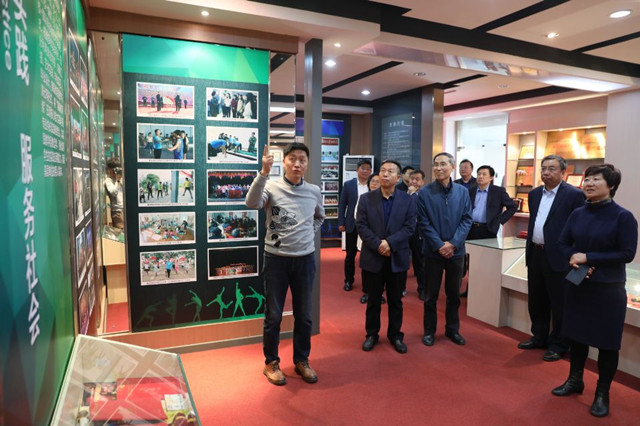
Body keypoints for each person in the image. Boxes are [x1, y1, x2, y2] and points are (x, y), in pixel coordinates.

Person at [552, 164, 637, 417]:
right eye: (587, 179)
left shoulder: (623, 216)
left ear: (611, 185)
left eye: (596, 179)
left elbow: (627, 253)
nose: (588, 183)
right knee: (576, 336)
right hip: (579, 284)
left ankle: (602, 393)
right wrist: (573, 257)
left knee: (607, 343)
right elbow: (562, 242)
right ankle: (574, 380)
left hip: (607, 289)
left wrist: (588, 257)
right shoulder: (578, 213)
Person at [246, 142, 325, 386]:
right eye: (293, 159)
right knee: (273, 315)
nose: (297, 164)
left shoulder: (313, 191)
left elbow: (319, 217)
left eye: (302, 159)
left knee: (305, 315)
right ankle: (271, 362)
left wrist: (306, 234)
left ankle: (302, 360)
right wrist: (263, 173)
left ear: (307, 163)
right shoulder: (271, 186)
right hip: (276, 260)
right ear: (285, 161)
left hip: (305, 260)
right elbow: (252, 203)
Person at [518, 155, 584, 361]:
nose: (546, 172)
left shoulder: (574, 195)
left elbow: (578, 229)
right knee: (537, 299)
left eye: (552, 169)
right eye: (543, 168)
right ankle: (539, 336)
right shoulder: (534, 194)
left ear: (563, 172)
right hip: (536, 253)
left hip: (559, 257)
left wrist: (573, 255)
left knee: (559, 303)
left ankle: (560, 344)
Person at [357, 160, 415, 354]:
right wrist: (378, 245)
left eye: (390, 171)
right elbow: (361, 226)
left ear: (398, 178)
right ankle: (371, 334)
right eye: (382, 171)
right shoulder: (366, 199)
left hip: (396, 256)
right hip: (373, 256)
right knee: (373, 299)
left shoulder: (407, 200)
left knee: (396, 301)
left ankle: (395, 335)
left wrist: (390, 243)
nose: (385, 174)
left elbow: (410, 227)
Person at [417, 152, 472, 347]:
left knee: (454, 294)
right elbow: (423, 222)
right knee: (430, 295)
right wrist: (440, 245)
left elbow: (467, 219)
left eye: (443, 164)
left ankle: (452, 329)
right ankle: (429, 331)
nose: (438, 168)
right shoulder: (425, 193)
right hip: (433, 251)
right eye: (436, 164)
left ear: (452, 167)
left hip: (456, 252)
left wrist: (453, 243)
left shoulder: (462, 192)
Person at [461, 165, 517, 297]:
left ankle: (483, 291)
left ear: (491, 177)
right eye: (479, 174)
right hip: (470, 229)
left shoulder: (498, 191)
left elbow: (512, 207)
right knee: (470, 260)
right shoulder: (470, 191)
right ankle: (470, 290)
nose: (480, 176)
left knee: (484, 261)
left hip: (487, 230)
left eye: (484, 174)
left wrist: (499, 221)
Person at [338, 158, 372, 292]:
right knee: (350, 255)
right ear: (357, 170)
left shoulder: (374, 184)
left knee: (368, 255)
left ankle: (368, 283)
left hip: (369, 226)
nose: (365, 171)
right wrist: (341, 222)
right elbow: (342, 205)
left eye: (368, 169)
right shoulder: (349, 185)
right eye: (363, 168)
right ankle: (348, 280)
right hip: (352, 224)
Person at [407, 169, 426, 299]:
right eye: (412, 179)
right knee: (402, 260)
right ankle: (400, 288)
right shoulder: (403, 193)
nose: (414, 181)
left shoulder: (425, 195)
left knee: (419, 261)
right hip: (404, 231)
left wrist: (413, 194)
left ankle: (422, 289)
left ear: (422, 182)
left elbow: (418, 209)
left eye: (417, 179)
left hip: (418, 231)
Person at [104, 158, 124, 229]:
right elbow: (114, 193)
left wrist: (120, 178)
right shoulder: (108, 181)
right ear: (110, 169)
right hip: (117, 211)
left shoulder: (120, 179)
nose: (116, 171)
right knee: (120, 232)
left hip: (124, 209)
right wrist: (117, 181)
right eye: (115, 169)